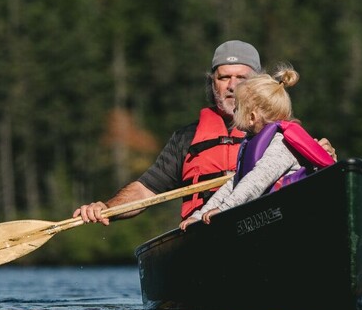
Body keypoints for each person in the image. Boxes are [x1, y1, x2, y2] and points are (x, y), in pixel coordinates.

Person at [74, 40, 336, 225]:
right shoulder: (186, 139)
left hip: (268, 222)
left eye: (241, 78)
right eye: (223, 78)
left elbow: (312, 184)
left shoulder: (282, 135)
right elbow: (145, 191)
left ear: (258, 82)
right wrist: (106, 208)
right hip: (206, 231)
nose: (232, 86)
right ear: (213, 83)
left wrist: (322, 159)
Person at [180, 63, 335, 231]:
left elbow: (255, 181)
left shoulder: (282, 145)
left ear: (252, 117)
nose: (234, 113)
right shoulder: (250, 144)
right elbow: (234, 184)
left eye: (237, 109)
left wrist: (224, 209)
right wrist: (199, 215)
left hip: (292, 220)